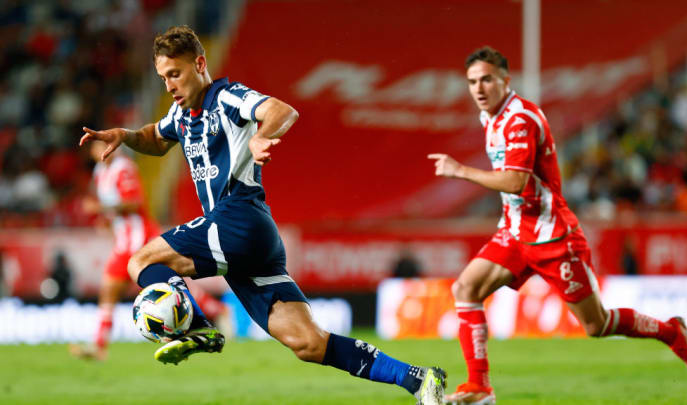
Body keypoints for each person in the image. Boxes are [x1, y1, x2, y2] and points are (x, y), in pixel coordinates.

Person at [78, 25, 446, 404]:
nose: (169, 84)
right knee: (308, 343)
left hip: (237, 217)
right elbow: (155, 139)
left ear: (200, 63)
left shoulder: (227, 97)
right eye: (163, 77)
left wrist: (260, 135)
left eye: (176, 73)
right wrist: (124, 135)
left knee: (141, 260)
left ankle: (199, 327)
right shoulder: (181, 114)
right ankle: (418, 380)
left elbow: (282, 111)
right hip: (249, 241)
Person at [427, 46, 687, 405]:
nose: (479, 89)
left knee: (596, 325)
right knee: (466, 289)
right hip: (514, 230)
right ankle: (479, 388)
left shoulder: (520, 119)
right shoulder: (490, 117)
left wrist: (459, 170)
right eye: (472, 82)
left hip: (553, 237)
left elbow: (515, 182)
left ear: (506, 80)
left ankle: (671, 331)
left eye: (487, 80)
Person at [70, 142, 161, 360]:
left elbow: (133, 203)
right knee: (112, 289)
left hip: (138, 238)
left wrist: (100, 209)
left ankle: (99, 346)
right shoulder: (100, 172)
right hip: (125, 240)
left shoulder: (124, 168)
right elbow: (115, 208)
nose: (101, 152)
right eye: (96, 149)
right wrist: (106, 221)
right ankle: (99, 346)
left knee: (158, 286)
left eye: (104, 146)